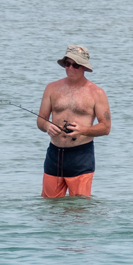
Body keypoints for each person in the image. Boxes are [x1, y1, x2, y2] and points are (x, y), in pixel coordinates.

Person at [37, 45, 111, 198]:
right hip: (54, 155)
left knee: (79, 212)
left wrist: (82, 130)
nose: (70, 68)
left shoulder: (97, 93)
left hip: (81, 156)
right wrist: (47, 126)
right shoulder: (51, 88)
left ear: (83, 67)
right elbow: (41, 119)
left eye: (75, 65)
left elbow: (106, 127)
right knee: (50, 210)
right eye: (67, 64)